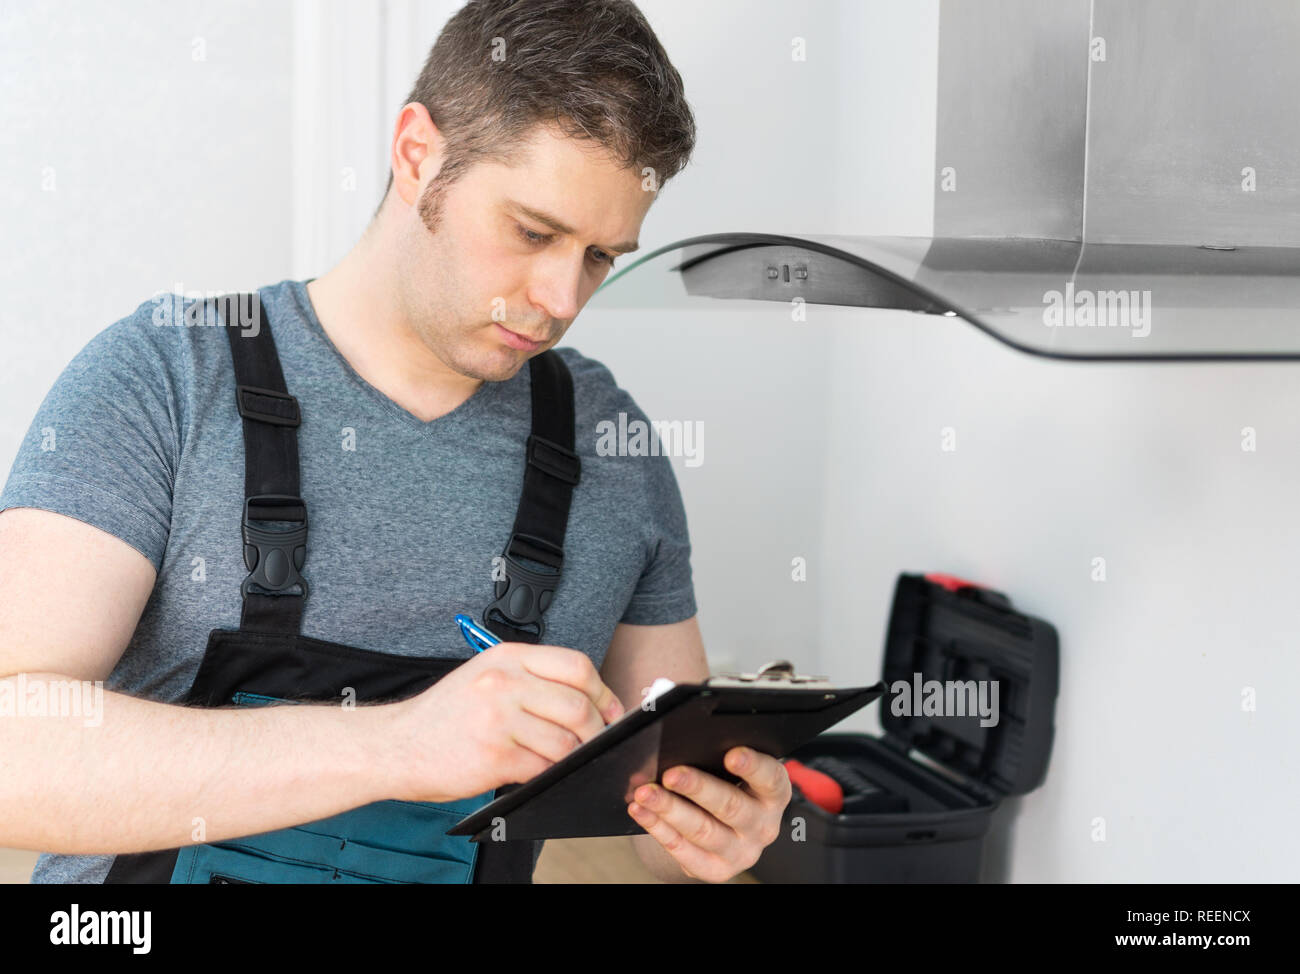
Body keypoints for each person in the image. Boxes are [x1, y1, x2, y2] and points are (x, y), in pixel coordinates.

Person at [0, 0, 790, 884]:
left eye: (602, 255)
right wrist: (399, 745)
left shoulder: (612, 444)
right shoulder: (164, 377)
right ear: (418, 154)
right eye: (534, 232)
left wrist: (720, 822)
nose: (564, 298)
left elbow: (655, 788)